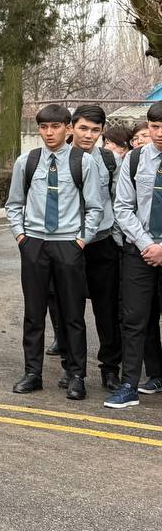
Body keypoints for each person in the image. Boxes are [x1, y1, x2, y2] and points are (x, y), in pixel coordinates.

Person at [5, 104, 104, 399]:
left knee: (72, 313)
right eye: (44, 127)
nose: (50, 133)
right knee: (33, 313)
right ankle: (32, 373)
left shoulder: (82, 162)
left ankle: (76, 376)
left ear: (68, 128)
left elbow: (95, 207)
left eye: (56, 127)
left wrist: (82, 240)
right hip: (34, 244)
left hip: (68, 245)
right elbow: (14, 204)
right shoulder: (28, 161)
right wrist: (21, 236)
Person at [107, 101, 162, 408]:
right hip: (139, 251)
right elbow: (123, 207)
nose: (159, 133)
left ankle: (158, 374)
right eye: (154, 126)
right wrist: (147, 245)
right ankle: (129, 383)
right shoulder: (136, 159)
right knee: (135, 318)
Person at [67, 106, 121, 391]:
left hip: (101, 245)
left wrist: (116, 239)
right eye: (83, 128)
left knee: (107, 310)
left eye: (95, 130)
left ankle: (110, 369)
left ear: (101, 133)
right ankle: (72, 368)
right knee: (69, 309)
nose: (88, 135)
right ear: (72, 127)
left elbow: (119, 201)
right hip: (67, 245)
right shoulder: (56, 159)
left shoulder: (110, 161)